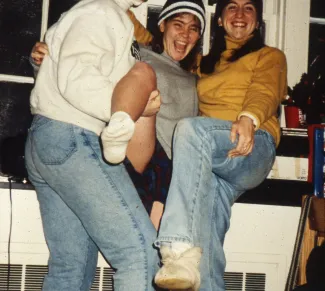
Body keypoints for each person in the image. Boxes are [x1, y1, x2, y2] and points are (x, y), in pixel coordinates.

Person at [30, 0, 206, 230]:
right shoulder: (138, 54)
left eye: (193, 28)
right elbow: (85, 58)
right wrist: (42, 59)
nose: (185, 34)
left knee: (156, 244)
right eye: (178, 24)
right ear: (162, 25)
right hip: (133, 145)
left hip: (172, 166)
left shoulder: (197, 77)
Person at [25, 0, 161, 290]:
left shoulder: (98, 13)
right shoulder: (101, 10)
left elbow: (61, 73)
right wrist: (120, 115)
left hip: (51, 139)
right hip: (73, 136)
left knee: (70, 268)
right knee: (140, 254)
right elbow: (76, 77)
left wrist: (140, 109)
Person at [153, 0, 288, 290]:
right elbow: (147, 37)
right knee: (207, 250)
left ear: (258, 20)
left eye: (248, 8)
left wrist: (249, 118)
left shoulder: (269, 55)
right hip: (212, 157)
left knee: (189, 128)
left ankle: (176, 247)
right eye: (232, 7)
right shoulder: (204, 63)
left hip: (253, 144)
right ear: (219, 19)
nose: (240, 15)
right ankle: (192, 267)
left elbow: (265, 90)